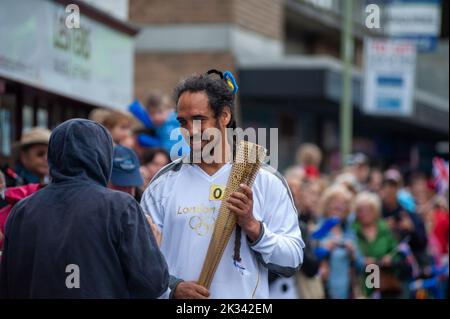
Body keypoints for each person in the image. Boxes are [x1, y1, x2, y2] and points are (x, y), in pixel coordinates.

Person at [141, 70, 304, 299]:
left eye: (199, 120)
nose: (190, 131)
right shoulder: (162, 184)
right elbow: (139, 261)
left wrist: (253, 227)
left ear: (224, 116)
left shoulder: (265, 180)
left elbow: (292, 260)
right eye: (182, 122)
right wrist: (173, 288)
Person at [0, 119, 169, 298]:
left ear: (53, 155)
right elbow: (152, 283)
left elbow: (8, 287)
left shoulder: (23, 210)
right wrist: (152, 248)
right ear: (103, 156)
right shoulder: (120, 207)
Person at [352, 192, 404, 298]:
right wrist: (362, 260)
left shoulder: (384, 228)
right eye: (361, 210)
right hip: (362, 279)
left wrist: (390, 258)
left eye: (369, 209)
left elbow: (396, 251)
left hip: (384, 281)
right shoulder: (353, 229)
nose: (365, 213)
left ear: (375, 210)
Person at [316, 184, 363, 299]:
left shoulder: (349, 232)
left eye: (343, 203)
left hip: (346, 292)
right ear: (326, 205)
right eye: (335, 202)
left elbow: (360, 264)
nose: (339, 205)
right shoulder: (318, 228)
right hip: (322, 291)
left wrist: (353, 253)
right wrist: (324, 249)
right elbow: (308, 257)